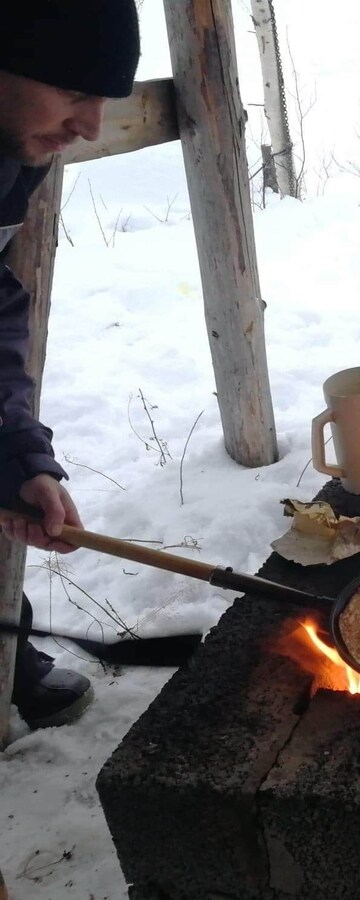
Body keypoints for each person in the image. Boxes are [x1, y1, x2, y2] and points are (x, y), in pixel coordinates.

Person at [0, 0, 140, 729]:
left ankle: (10, 661)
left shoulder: (9, 157)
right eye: (74, 92)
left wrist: (19, 455)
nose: (90, 126)